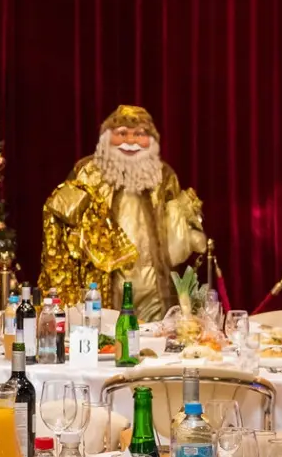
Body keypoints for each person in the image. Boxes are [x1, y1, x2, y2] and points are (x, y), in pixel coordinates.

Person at [38, 104, 206, 321]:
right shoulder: (87, 172)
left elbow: (174, 233)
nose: (130, 140)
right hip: (105, 284)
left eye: (139, 134)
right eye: (122, 133)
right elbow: (63, 219)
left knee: (153, 335)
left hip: (153, 286)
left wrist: (189, 230)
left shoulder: (164, 176)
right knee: (110, 334)